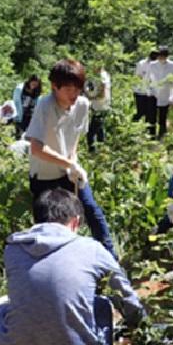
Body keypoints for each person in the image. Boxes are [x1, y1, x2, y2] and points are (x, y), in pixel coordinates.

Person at [0, 188, 146, 345]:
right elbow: (125, 296)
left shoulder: (13, 248)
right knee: (101, 305)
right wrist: (144, 329)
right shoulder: (92, 249)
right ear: (76, 221)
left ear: (37, 219)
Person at [26, 59, 117, 258]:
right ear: (54, 87)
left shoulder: (82, 105)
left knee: (91, 211)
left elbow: (74, 139)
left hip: (69, 172)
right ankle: (48, 267)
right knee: (50, 226)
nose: (74, 95)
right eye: (68, 90)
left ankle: (111, 261)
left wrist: (73, 163)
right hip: (45, 176)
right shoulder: (44, 105)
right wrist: (69, 163)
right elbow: (36, 148)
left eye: (78, 89)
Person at [147, 45, 173, 139]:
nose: (161, 58)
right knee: (151, 118)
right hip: (153, 94)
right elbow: (147, 79)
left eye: (163, 56)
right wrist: (147, 91)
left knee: (162, 118)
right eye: (160, 56)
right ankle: (151, 138)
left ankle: (161, 138)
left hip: (166, 95)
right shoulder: (152, 65)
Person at [85, 67, 111, 152]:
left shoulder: (101, 76)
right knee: (100, 130)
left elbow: (101, 93)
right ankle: (102, 150)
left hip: (100, 107)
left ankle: (92, 152)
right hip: (100, 107)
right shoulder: (105, 74)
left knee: (90, 133)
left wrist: (90, 97)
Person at [12, 75, 42, 139]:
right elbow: (16, 102)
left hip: (30, 114)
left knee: (28, 134)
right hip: (20, 113)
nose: (34, 86)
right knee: (18, 132)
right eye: (33, 84)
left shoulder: (36, 91)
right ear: (30, 81)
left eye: (36, 85)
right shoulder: (20, 88)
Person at [133, 51, 157, 123]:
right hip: (140, 91)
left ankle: (148, 131)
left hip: (152, 93)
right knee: (140, 112)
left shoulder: (158, 65)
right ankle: (132, 127)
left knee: (150, 114)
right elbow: (138, 77)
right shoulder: (142, 63)